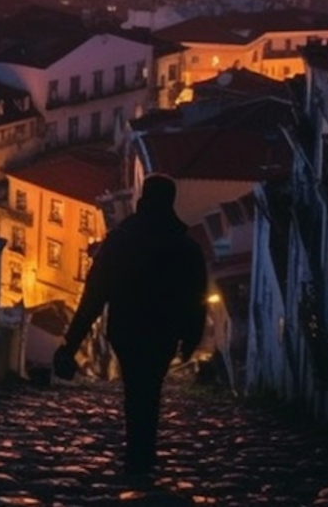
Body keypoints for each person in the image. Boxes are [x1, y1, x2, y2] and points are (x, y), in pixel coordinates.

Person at [53, 173, 208, 476]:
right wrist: (191, 337)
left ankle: (137, 451)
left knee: (135, 386)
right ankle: (144, 450)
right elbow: (196, 296)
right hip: (165, 330)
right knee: (150, 387)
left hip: (126, 329)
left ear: (142, 199)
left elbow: (94, 295)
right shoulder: (186, 247)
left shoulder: (120, 242)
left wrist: (71, 344)